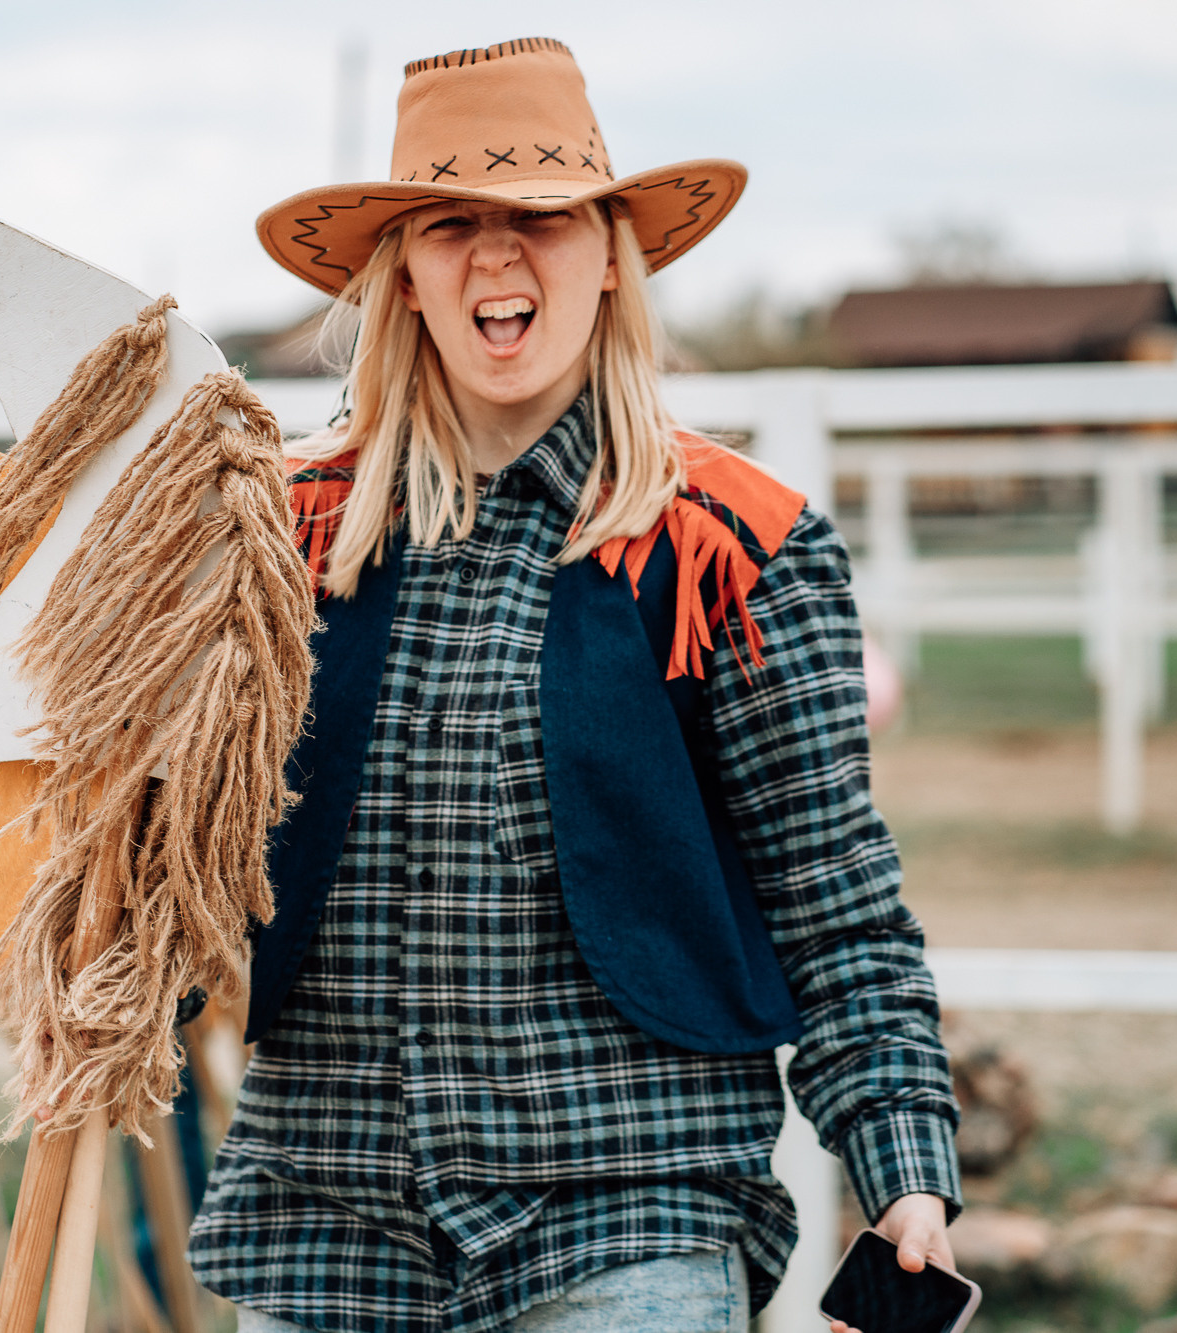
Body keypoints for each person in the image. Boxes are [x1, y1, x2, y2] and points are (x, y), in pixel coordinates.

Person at [186, 39, 962, 1333]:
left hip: (629, 1210)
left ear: (611, 253)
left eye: (539, 218)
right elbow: (181, 840)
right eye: (450, 225)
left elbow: (834, 890)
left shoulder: (731, 546)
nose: (497, 258)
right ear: (406, 276)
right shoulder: (282, 538)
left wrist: (903, 1166)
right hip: (330, 1206)